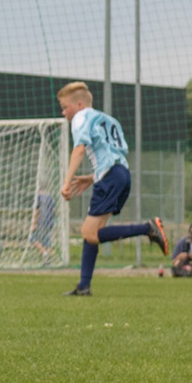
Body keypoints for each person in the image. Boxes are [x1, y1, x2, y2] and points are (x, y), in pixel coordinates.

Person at [57, 82, 167, 296]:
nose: (63, 113)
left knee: (89, 232)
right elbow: (113, 153)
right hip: (120, 174)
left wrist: (66, 181)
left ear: (79, 104)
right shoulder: (108, 119)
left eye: (65, 107)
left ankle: (148, 228)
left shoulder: (81, 117)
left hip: (110, 177)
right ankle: (83, 286)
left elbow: (79, 150)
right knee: (92, 233)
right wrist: (92, 177)